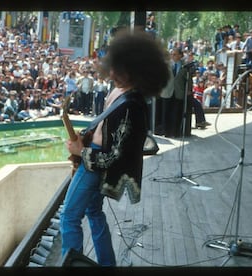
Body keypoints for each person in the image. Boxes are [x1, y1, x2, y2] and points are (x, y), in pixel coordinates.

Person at [60, 29, 170, 266]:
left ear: (135, 71)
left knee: (69, 218)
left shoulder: (132, 106)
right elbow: (105, 131)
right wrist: (87, 136)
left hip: (94, 166)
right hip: (93, 158)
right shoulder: (120, 93)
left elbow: (115, 156)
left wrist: (82, 152)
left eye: (118, 69)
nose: (111, 73)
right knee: (94, 213)